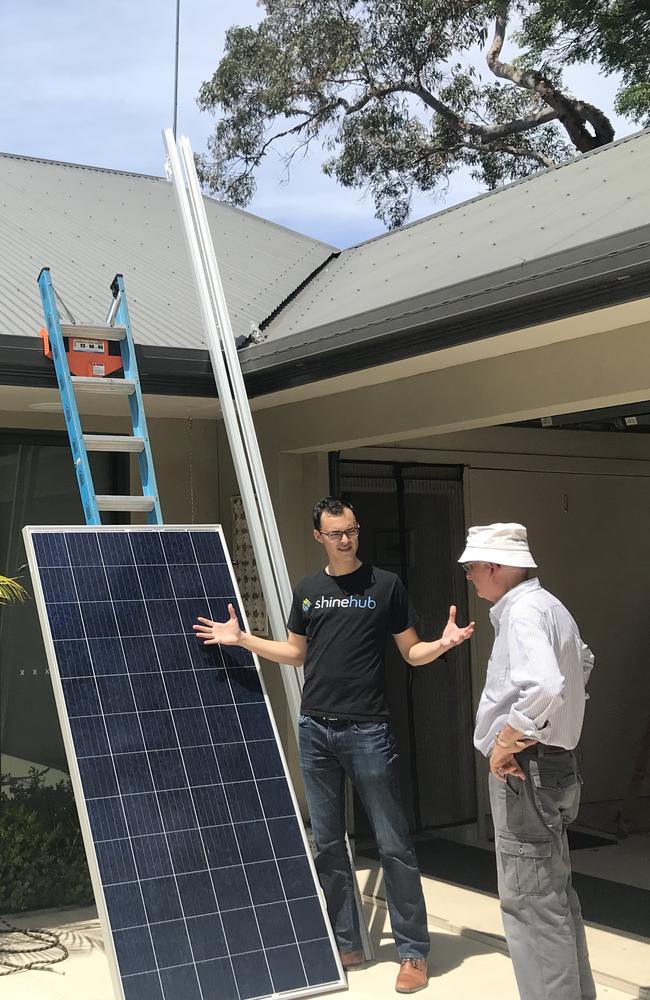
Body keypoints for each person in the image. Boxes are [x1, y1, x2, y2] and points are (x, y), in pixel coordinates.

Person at [194, 496, 474, 994]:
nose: (347, 539)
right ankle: (347, 940)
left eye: (352, 530)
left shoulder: (385, 585)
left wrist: (443, 644)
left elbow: (411, 653)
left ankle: (412, 953)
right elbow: (295, 654)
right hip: (316, 731)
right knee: (327, 844)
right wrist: (242, 640)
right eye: (337, 532)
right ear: (319, 536)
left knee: (394, 844)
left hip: (368, 731)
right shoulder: (308, 590)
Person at [459, 522, 596, 1000]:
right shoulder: (550, 605)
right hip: (554, 764)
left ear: (495, 566)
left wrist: (507, 741)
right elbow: (582, 665)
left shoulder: (521, 614)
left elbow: (545, 685)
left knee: (530, 904)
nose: (470, 576)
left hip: (527, 768)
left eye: (472, 567)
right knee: (553, 896)